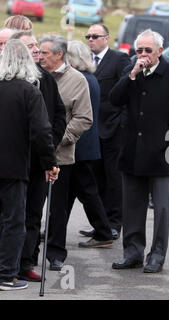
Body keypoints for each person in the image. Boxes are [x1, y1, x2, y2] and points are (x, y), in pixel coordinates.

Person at [110, 29, 169, 273]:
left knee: (161, 209)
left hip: (158, 154)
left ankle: (156, 255)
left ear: (160, 52)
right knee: (132, 206)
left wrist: (164, 144)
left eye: (148, 50)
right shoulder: (131, 72)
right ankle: (132, 252)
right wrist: (132, 75)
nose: (143, 55)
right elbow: (114, 99)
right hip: (131, 151)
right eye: (139, 50)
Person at [0, 39, 58, 291]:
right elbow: (42, 133)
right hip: (14, 168)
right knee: (14, 222)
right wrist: (50, 163)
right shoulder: (29, 91)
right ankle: (6, 274)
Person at [10, 30, 66, 282]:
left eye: (36, 45)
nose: (35, 50)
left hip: (39, 162)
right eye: (29, 46)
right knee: (11, 216)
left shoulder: (45, 79)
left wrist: (48, 151)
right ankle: (7, 264)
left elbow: (57, 117)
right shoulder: (7, 81)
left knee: (33, 215)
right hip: (12, 161)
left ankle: (26, 262)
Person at [39, 35, 93, 271]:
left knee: (57, 209)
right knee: (30, 209)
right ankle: (27, 255)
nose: (40, 57)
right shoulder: (35, 77)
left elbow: (84, 118)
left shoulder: (77, 80)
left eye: (45, 53)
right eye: (39, 52)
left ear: (59, 54)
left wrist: (59, 139)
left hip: (60, 156)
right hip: (31, 156)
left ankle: (55, 253)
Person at [79, 24, 131, 241]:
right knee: (96, 179)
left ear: (106, 38)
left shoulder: (118, 59)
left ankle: (114, 223)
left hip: (113, 128)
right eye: (88, 36)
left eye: (95, 36)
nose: (90, 39)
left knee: (113, 179)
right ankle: (100, 222)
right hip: (92, 130)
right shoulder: (84, 61)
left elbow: (127, 89)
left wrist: (121, 122)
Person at [66, 40, 113, 249]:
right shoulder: (90, 78)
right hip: (84, 146)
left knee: (86, 192)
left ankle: (103, 232)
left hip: (79, 147)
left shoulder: (81, 79)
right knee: (69, 193)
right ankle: (53, 229)